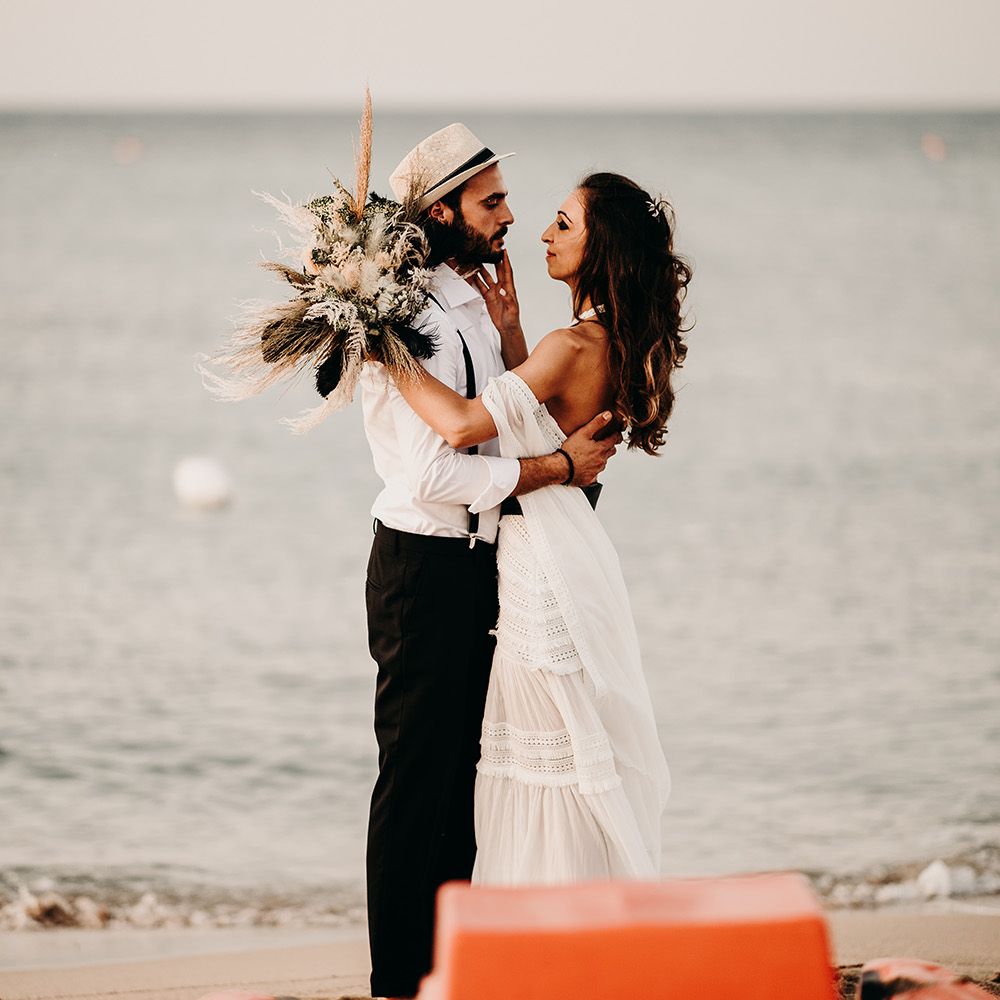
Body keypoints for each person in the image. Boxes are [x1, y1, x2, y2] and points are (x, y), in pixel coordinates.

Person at [360, 124, 620, 1000]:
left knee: (467, 791)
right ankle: (398, 981)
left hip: (484, 565)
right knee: (414, 784)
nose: (510, 216)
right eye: (493, 201)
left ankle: (450, 972)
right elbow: (437, 467)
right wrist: (557, 469)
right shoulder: (401, 317)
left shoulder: (469, 299)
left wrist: (511, 336)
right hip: (421, 568)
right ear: (444, 210)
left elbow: (498, 420)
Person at [394, 171, 690, 887]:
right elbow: (549, 412)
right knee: (564, 740)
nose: (543, 235)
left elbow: (465, 424)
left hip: (538, 563)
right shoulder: (614, 341)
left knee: (536, 751)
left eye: (563, 223)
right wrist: (511, 334)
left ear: (601, 246)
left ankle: (544, 932)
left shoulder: (570, 346)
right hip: (575, 549)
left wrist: (380, 347)